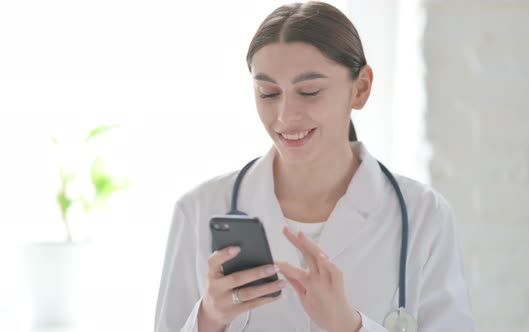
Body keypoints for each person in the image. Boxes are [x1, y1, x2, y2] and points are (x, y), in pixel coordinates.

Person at [154, 2, 474, 331]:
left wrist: (350, 326)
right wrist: (209, 318)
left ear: (360, 88)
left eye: (309, 91)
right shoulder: (198, 210)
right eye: (268, 93)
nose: (285, 116)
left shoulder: (424, 216)